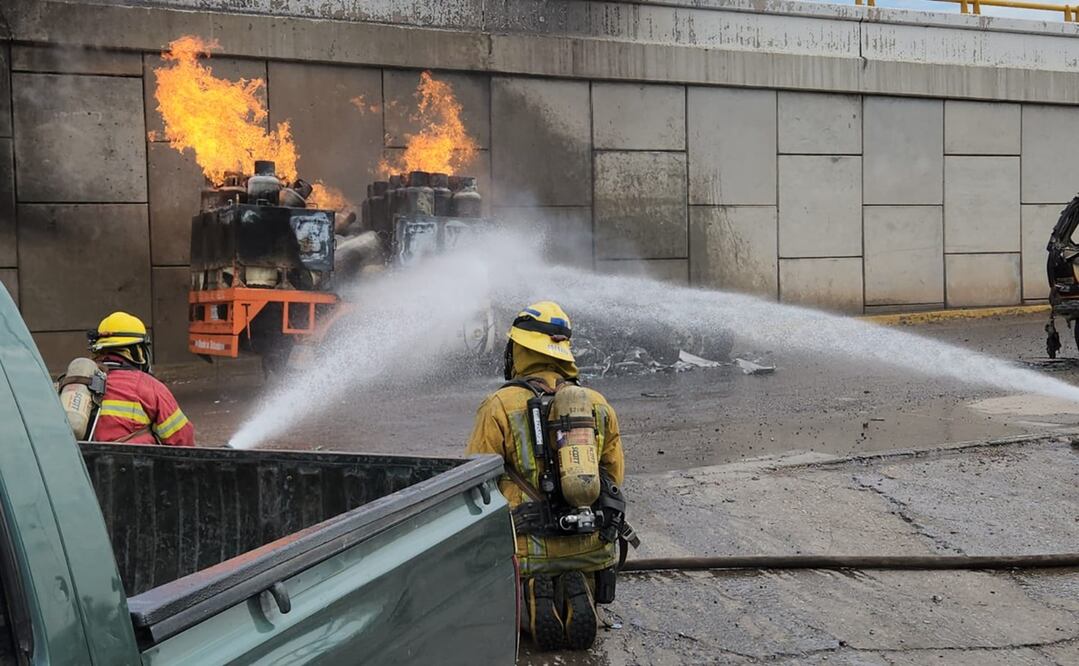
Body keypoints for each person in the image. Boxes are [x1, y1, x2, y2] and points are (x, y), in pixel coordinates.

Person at [466, 301, 629, 652]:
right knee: (578, 573)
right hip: (593, 544)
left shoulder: (499, 405)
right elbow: (614, 476)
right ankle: (579, 585)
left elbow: (477, 481)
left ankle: (533, 600)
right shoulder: (597, 403)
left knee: (519, 583)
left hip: (526, 550)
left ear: (521, 350)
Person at [86, 311, 195, 446]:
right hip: (133, 464)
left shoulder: (76, 382)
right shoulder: (149, 387)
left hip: (80, 464)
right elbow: (182, 440)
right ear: (136, 350)